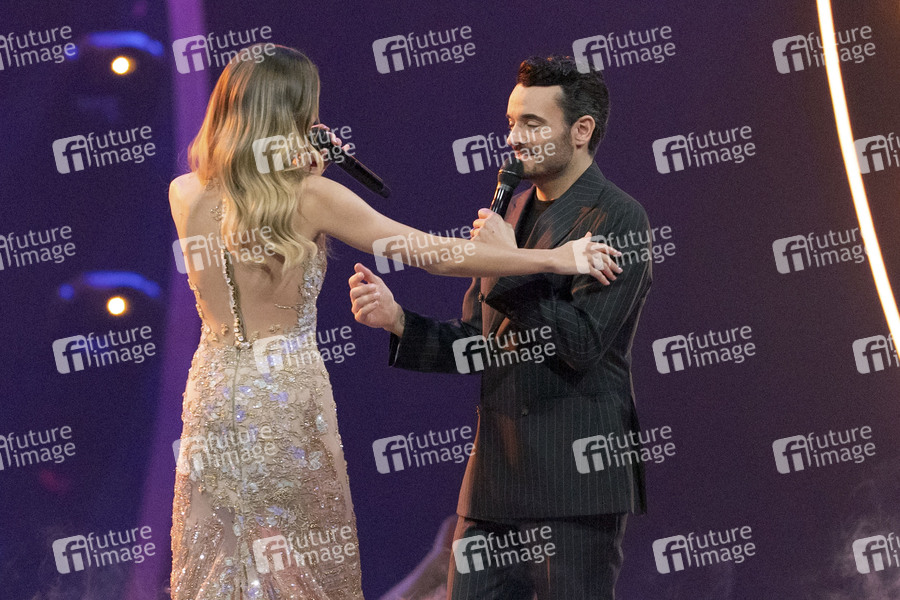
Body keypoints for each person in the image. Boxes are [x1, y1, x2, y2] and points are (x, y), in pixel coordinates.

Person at [167, 45, 621, 600]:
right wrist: (553, 258)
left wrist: (296, 166)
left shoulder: (184, 193)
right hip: (285, 394)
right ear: (292, 112)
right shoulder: (312, 197)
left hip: (212, 394)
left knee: (224, 560)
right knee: (298, 566)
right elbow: (434, 254)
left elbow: (247, 212)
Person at [349, 55, 653, 599]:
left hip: (574, 482)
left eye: (532, 123)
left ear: (581, 130)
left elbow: (581, 344)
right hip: (494, 484)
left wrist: (508, 265)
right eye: (512, 122)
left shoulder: (617, 217)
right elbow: (479, 341)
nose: (513, 138)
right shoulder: (512, 212)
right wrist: (399, 322)